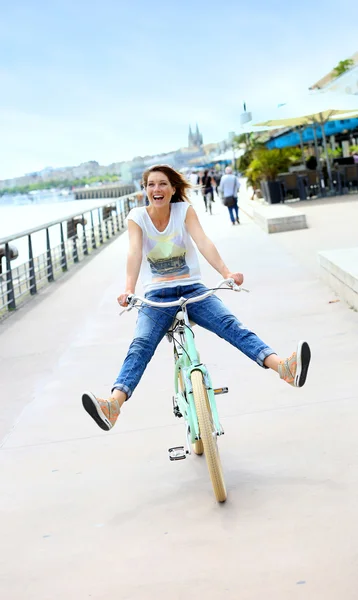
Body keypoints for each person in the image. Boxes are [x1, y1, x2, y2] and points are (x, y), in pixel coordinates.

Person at [82, 165, 311, 431]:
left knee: (231, 325)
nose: (157, 189)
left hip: (193, 289)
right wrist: (129, 289)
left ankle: (284, 368)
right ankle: (113, 405)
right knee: (141, 344)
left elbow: (202, 241)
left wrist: (227, 272)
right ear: (145, 190)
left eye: (163, 184)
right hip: (156, 295)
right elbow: (134, 252)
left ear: (173, 189)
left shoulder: (184, 211)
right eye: (151, 185)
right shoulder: (137, 217)